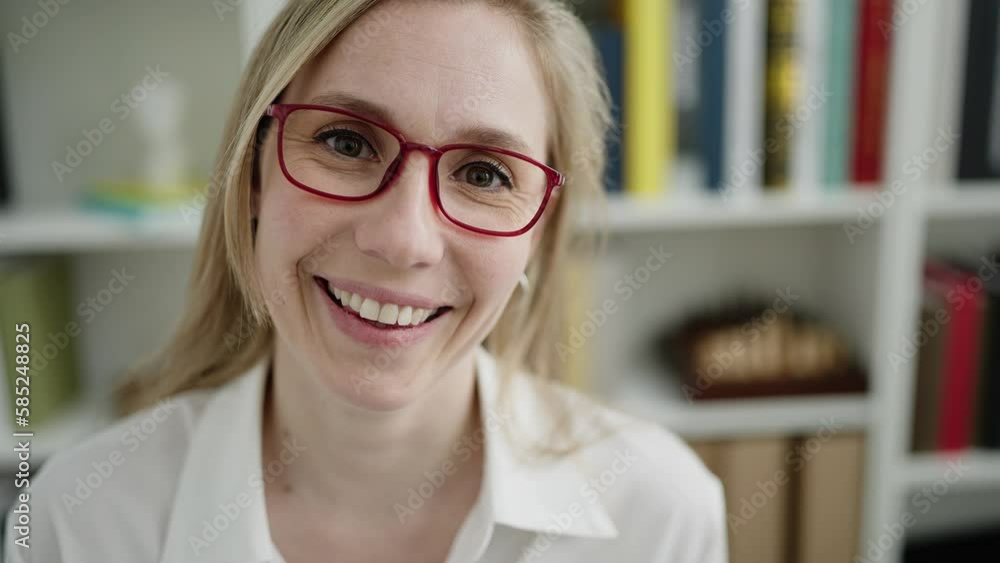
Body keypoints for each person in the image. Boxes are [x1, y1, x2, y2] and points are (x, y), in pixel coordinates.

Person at [4, 1, 727, 561]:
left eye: (483, 174)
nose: (403, 239)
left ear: (540, 227)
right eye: (346, 142)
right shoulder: (80, 521)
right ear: (254, 172)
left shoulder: (660, 516)